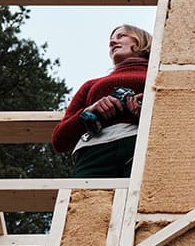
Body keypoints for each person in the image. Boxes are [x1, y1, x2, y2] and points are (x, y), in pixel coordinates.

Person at [52, 24, 152, 178]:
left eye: (121, 36)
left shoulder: (159, 79)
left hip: (141, 144)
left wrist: (148, 112)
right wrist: (88, 112)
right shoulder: (91, 85)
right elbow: (59, 140)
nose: (112, 42)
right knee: (85, 200)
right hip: (93, 151)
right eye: (111, 40)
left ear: (141, 41)